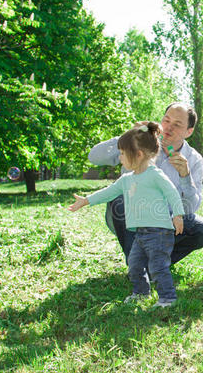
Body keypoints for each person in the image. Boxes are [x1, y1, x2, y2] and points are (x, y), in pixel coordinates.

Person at [69, 122, 184, 307]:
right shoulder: (127, 179)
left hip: (159, 232)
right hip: (140, 233)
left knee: (158, 267)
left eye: (122, 153)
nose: (120, 158)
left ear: (138, 155)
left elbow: (172, 194)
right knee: (135, 265)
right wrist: (86, 200)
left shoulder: (156, 175)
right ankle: (141, 293)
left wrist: (178, 215)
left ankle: (167, 298)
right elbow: (108, 192)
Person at [87, 103, 203, 267]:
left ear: (188, 132)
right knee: (120, 198)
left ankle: (153, 264)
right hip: (130, 216)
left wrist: (185, 177)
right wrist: (128, 136)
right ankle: (138, 266)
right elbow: (94, 156)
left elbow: (190, 209)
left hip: (165, 222)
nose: (168, 128)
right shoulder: (141, 143)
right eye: (166, 121)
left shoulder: (194, 160)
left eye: (177, 124)